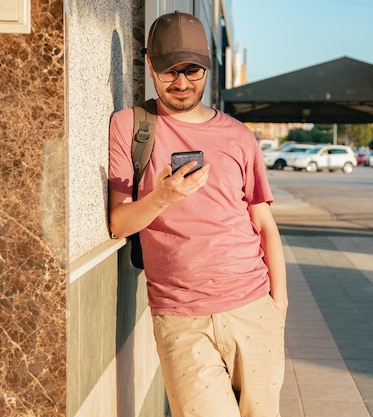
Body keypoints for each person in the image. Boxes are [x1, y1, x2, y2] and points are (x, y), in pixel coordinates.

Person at [108, 11, 287, 417]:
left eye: (193, 71)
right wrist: (162, 197)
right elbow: (119, 223)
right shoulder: (132, 127)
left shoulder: (239, 137)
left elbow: (263, 223)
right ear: (150, 66)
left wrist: (280, 304)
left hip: (252, 307)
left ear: (207, 67)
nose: (183, 83)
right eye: (171, 71)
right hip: (180, 317)